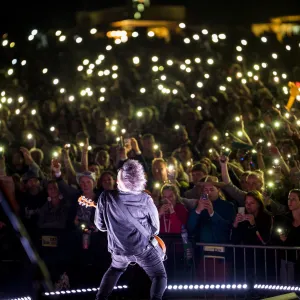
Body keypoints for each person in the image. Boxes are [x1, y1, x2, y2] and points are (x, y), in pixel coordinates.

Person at [94, 159, 167, 300]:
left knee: (114, 270)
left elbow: (100, 226)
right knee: (159, 276)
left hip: (118, 250)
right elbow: (155, 229)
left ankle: (100, 298)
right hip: (143, 250)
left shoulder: (105, 197)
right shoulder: (146, 199)